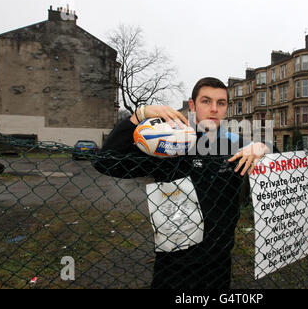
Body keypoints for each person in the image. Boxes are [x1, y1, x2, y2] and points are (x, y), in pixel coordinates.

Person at [93, 77, 274, 289]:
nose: (214, 109)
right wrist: (138, 116)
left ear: (226, 108)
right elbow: (105, 162)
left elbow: (283, 166)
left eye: (221, 103)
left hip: (219, 264)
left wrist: (264, 148)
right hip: (174, 263)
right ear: (192, 105)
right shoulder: (167, 142)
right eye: (206, 101)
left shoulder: (237, 146)